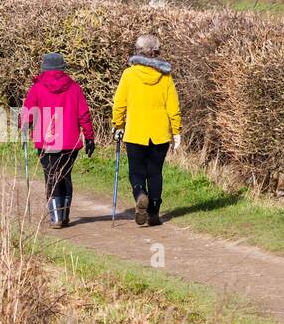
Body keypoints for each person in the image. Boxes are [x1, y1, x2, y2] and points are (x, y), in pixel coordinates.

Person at [112, 34, 181, 226]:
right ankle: (154, 213)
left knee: (136, 171)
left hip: (135, 132)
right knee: (155, 172)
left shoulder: (129, 74)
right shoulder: (165, 76)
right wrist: (176, 131)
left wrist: (118, 124)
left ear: (137, 50)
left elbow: (119, 103)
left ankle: (140, 194)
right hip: (159, 133)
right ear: (157, 52)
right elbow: (173, 106)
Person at [20, 52, 95, 227]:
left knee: (51, 176)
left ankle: (56, 217)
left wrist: (23, 125)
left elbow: (28, 112)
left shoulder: (37, 88)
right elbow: (84, 114)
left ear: (44, 68)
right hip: (70, 140)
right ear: (62, 68)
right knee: (65, 176)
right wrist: (89, 137)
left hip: (46, 140)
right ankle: (64, 215)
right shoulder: (74, 87)